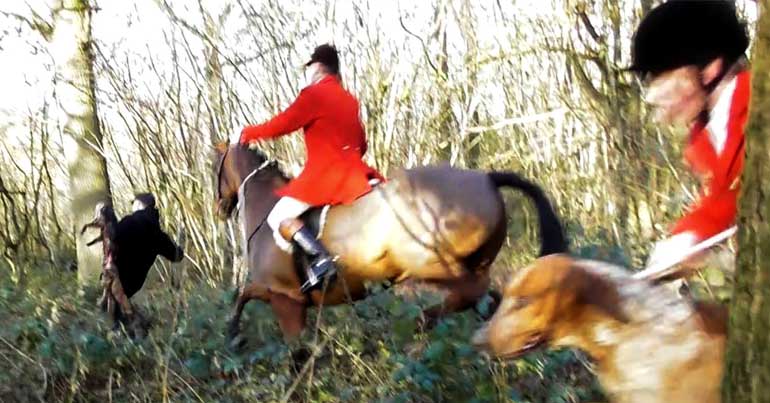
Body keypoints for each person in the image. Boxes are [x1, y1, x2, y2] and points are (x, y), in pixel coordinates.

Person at [239, 44, 383, 292]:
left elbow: (281, 124)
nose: (308, 72)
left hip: (327, 177)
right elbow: (361, 142)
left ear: (318, 67)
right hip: (359, 175)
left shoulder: (314, 94)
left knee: (278, 217)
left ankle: (322, 259)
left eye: (310, 66)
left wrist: (247, 133)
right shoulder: (349, 99)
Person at [629, 0, 750, 273]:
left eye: (662, 75)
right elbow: (719, 203)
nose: (653, 95)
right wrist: (686, 238)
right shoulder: (707, 138)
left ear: (709, 70)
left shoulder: (756, 112)